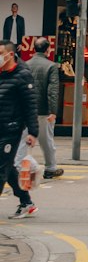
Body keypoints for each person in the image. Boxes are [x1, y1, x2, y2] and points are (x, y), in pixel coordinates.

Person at [0, 39, 39, 218]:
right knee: (7, 168)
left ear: (9, 54)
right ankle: (26, 202)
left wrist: (33, 131)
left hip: (11, 129)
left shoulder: (22, 75)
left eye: (0, 54)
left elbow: (30, 105)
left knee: (1, 168)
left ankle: (26, 202)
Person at [24, 37, 62, 180]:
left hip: (26, 109)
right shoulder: (51, 66)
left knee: (24, 141)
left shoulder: (25, 65)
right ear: (48, 49)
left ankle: (23, 168)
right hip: (43, 110)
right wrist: (53, 111)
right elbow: (52, 91)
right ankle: (50, 168)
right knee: (46, 141)